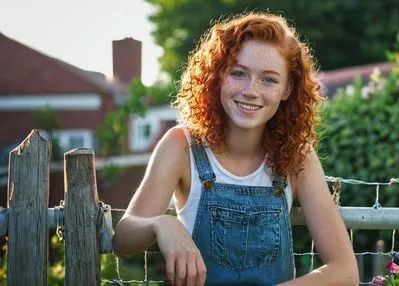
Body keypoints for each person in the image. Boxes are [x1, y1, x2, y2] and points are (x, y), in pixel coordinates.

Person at [112, 11, 359, 286]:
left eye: (269, 79)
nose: (251, 91)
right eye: (239, 73)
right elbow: (122, 238)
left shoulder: (296, 157)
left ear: (287, 89)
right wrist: (161, 224)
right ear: (218, 76)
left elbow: (345, 271)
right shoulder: (181, 146)